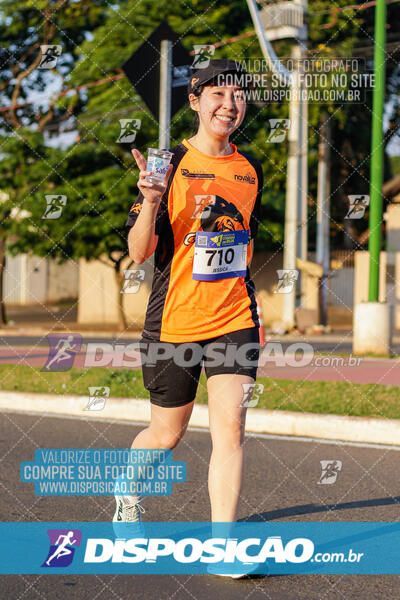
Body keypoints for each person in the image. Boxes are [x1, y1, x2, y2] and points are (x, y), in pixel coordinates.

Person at [115, 59, 263, 578]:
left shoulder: (249, 170)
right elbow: (139, 253)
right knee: (166, 434)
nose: (229, 103)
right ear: (196, 101)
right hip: (174, 322)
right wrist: (150, 202)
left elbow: (239, 244)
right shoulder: (168, 164)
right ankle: (128, 495)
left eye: (238, 94)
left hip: (234, 318)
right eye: (217, 94)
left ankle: (223, 545)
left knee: (231, 429)